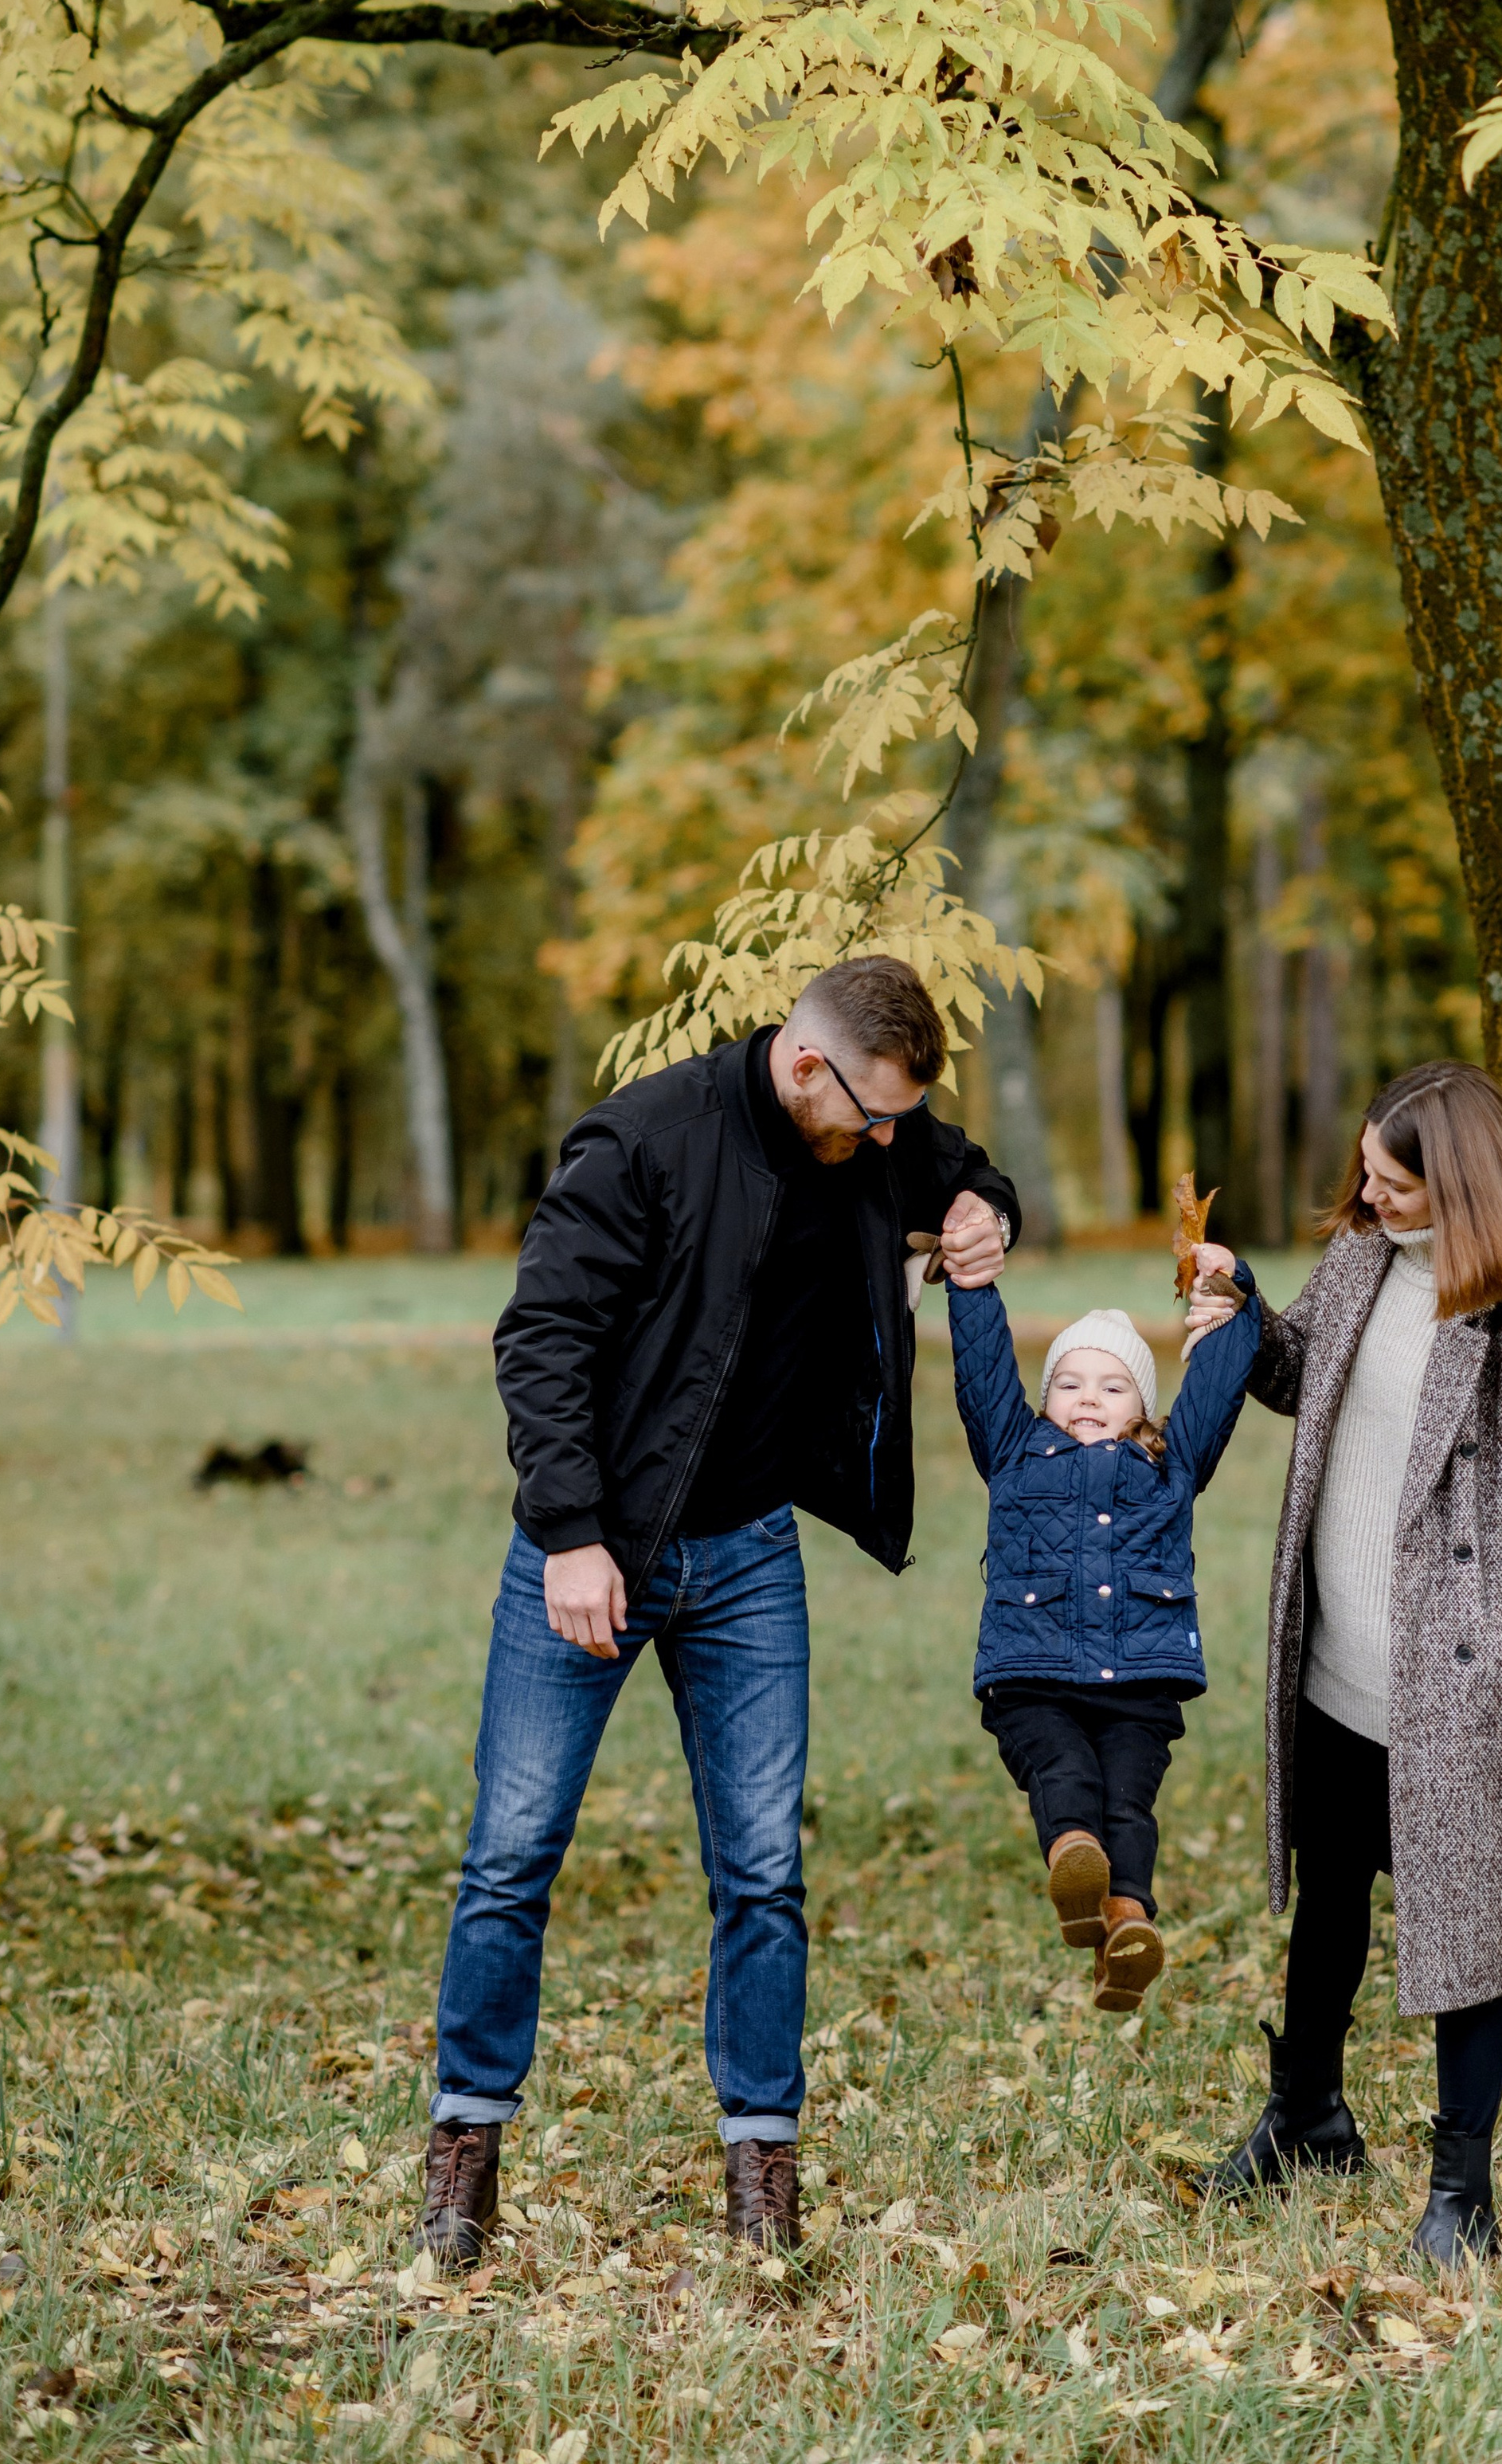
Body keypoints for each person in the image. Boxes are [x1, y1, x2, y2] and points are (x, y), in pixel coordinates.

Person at [418, 958, 1019, 2268]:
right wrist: (572, 1532)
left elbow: (966, 1172)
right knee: (513, 1852)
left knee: (763, 1869)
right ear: (807, 1062)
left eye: (898, 1121)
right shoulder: (644, 1138)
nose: (885, 1141)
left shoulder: (879, 1128)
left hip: (749, 1554)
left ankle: (762, 2170)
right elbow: (543, 1335)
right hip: (592, 1553)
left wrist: (986, 1217)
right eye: (869, 1114)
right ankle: (463, 2155)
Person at [1184, 1061, 1502, 2266]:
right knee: (1330, 1895)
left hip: (1461, 1680)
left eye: (1395, 1185)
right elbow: (1299, 1381)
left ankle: (1462, 2194)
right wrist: (1241, 1305)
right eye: (1368, 1177)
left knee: (1465, 1931)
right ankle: (1307, 2116)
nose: (1372, 1199)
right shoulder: (1360, 1260)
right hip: (1337, 1653)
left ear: (1463, 1184)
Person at [945, 1267, 1261, 2009]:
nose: (1089, 1397)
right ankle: (1074, 1862)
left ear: (1143, 1408)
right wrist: (970, 1283)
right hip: (1033, 1677)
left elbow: (1217, 1387)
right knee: (1067, 1777)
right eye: (1070, 1382)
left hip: (1141, 1686)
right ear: (1045, 1395)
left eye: (1114, 1387)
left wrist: (1231, 1290)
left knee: (1128, 1804)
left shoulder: (1170, 1462)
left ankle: (1126, 1922)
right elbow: (984, 1363)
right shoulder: (1013, 1448)